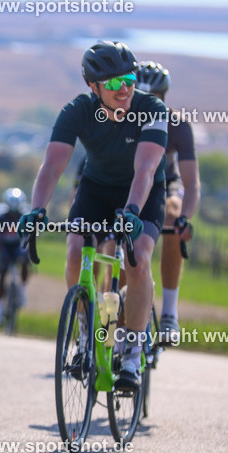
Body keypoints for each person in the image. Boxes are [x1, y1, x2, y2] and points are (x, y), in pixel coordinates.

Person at [21, 40, 168, 392]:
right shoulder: (77, 111)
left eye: (130, 79)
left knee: (138, 259)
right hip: (97, 189)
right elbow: (52, 165)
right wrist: (37, 209)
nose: (125, 89)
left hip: (143, 193)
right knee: (75, 250)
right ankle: (87, 330)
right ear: (94, 87)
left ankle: (132, 352)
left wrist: (132, 211)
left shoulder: (152, 108)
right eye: (115, 84)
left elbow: (146, 170)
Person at [136, 61, 200, 344]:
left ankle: (170, 314)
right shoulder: (119, 118)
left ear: (164, 97)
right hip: (131, 182)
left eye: (155, 98)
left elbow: (191, 181)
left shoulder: (177, 126)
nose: (148, 103)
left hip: (165, 183)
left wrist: (186, 216)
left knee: (173, 219)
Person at [0, 187, 30, 324]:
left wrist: (24, 253)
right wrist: (0, 254)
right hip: (4, 248)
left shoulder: (24, 218)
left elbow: (28, 238)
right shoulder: (1, 218)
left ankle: (22, 290)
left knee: (26, 262)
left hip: (18, 247)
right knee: (2, 273)